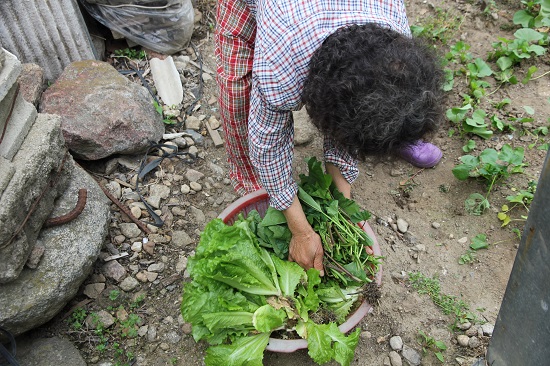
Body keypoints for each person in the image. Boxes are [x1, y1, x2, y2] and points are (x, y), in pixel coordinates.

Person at [215, 0, 445, 275]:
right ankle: (252, 185)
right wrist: (301, 231)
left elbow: (354, 108)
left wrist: (342, 209)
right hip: (271, 12)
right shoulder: (282, 60)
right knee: (238, 91)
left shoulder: (393, 32)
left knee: (370, 109)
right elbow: (269, 144)